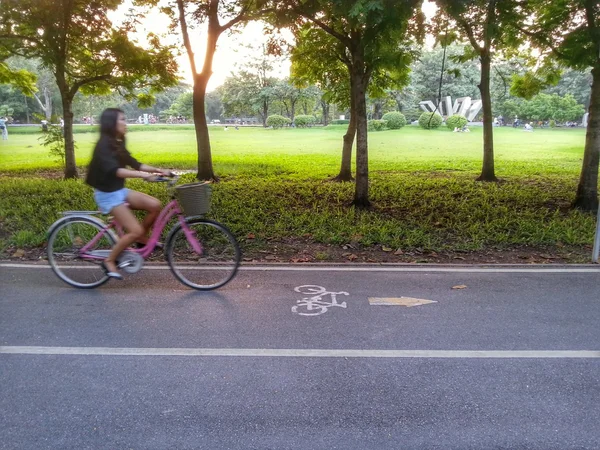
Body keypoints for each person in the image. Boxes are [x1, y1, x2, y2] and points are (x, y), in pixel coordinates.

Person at [85, 108, 172, 280]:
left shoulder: (117, 142)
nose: (126, 123)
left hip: (119, 190)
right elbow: (115, 171)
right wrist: (143, 176)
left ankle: (141, 238)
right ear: (112, 123)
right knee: (134, 229)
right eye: (122, 120)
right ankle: (109, 260)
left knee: (154, 205)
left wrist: (158, 170)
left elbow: (134, 164)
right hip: (107, 194)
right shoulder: (103, 145)